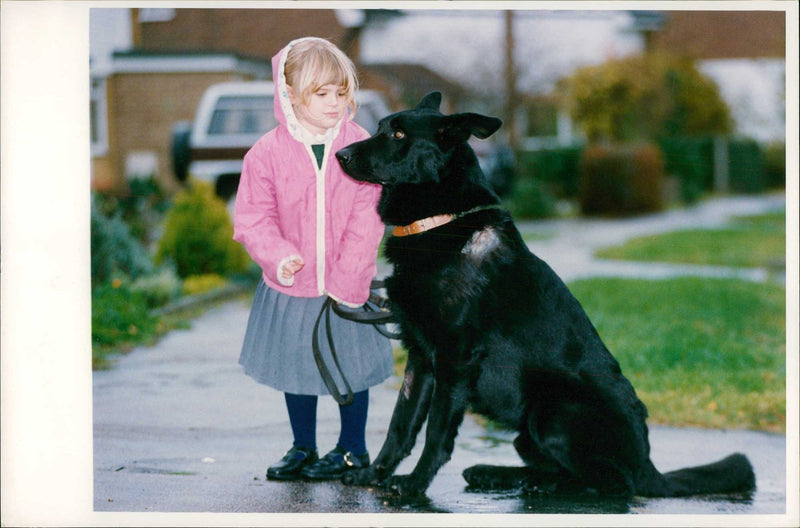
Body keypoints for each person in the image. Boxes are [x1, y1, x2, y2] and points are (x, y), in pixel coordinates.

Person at [233, 37, 393, 481]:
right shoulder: (267, 153)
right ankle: (304, 446)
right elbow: (253, 216)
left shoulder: (361, 146)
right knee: (298, 366)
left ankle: (352, 449)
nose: (334, 103)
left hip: (349, 285)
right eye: (321, 93)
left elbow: (369, 218)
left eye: (341, 92)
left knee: (349, 369)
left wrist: (350, 276)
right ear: (290, 95)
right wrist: (277, 255)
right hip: (293, 284)